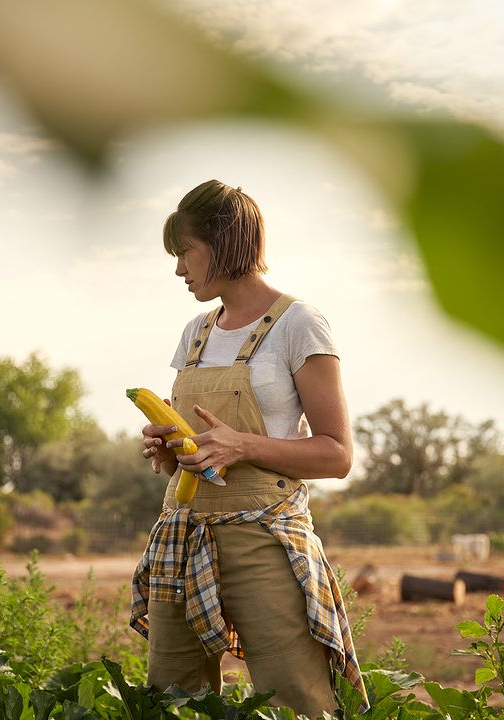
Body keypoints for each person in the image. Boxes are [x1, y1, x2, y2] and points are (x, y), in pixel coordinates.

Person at [129, 179, 367, 717]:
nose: (178, 269)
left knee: (297, 701)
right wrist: (168, 452)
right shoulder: (195, 331)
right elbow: (197, 444)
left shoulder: (299, 325)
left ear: (223, 242)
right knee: (173, 701)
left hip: (263, 541)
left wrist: (242, 445)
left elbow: (338, 454)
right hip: (182, 534)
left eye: (184, 251)